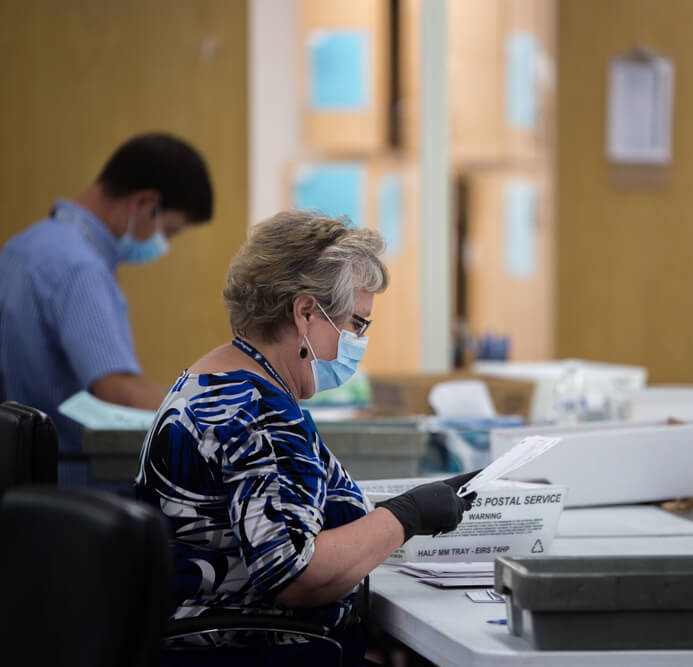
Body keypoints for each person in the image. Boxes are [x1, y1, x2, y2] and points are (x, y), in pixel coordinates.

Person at [135, 211, 475, 666]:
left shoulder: (214, 379)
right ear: (306, 312)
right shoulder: (256, 410)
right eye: (357, 324)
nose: (358, 339)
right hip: (253, 652)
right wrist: (406, 515)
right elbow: (295, 573)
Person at [0, 132, 214, 484]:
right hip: (72, 490)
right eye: (169, 232)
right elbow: (119, 392)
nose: (165, 245)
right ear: (146, 204)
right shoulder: (79, 267)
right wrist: (217, 416)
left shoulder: (23, 247)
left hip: (22, 487)